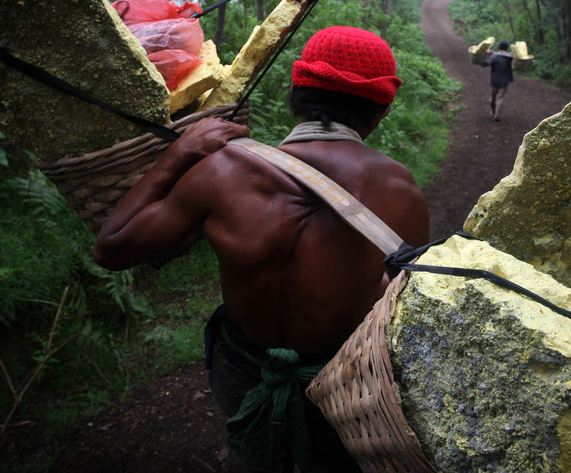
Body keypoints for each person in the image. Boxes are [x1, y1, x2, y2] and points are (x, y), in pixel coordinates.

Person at [93, 26, 430, 472]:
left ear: (295, 92)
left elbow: (112, 249)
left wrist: (177, 156)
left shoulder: (222, 171)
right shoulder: (399, 191)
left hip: (241, 375)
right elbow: (405, 309)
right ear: (381, 112)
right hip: (341, 389)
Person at [481, 40, 514, 121]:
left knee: (493, 98)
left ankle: (493, 112)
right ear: (507, 48)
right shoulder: (509, 57)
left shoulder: (494, 56)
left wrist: (485, 55)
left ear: (499, 47)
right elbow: (514, 57)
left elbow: (484, 64)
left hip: (495, 80)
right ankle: (496, 114)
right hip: (505, 80)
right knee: (500, 98)